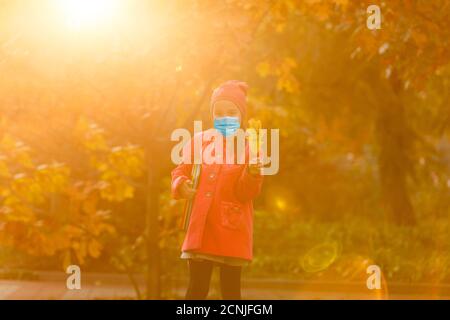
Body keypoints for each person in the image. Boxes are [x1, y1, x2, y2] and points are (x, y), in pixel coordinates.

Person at [171, 80, 264, 300]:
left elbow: (245, 193)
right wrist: (181, 185)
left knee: (231, 291)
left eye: (231, 112)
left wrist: (251, 173)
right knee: (197, 288)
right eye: (219, 112)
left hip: (232, 228)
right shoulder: (199, 142)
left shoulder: (249, 146)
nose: (225, 118)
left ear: (241, 115)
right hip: (202, 228)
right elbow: (180, 170)